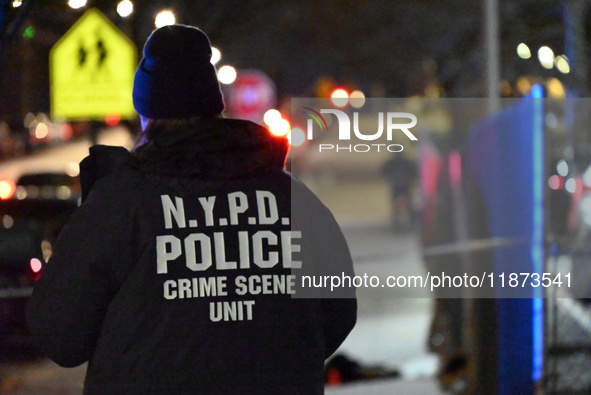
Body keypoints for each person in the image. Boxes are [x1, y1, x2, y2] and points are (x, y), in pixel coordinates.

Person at [27, 24, 356, 394]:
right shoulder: (292, 199)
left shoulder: (123, 203)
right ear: (216, 106)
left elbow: (59, 333)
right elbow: (338, 311)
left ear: (147, 113)